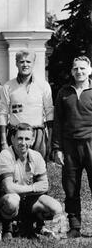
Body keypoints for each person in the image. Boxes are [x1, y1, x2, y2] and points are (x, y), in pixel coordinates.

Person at [0, 123, 64, 239]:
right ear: (12, 139)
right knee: (12, 200)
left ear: (32, 140)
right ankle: (7, 226)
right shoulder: (6, 154)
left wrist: (22, 189)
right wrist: (33, 187)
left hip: (28, 200)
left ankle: (30, 225)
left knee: (56, 208)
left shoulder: (36, 156)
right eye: (20, 138)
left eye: (27, 139)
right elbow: (8, 187)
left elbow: (44, 185)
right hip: (8, 199)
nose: (23, 143)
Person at [52, 56, 92, 238]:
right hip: (69, 146)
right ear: (71, 72)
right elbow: (58, 122)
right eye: (76, 68)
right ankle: (75, 226)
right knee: (70, 187)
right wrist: (57, 148)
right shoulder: (64, 92)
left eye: (83, 68)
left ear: (89, 70)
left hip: (91, 144)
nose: (79, 72)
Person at [0, 49, 54, 159]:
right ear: (16, 63)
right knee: (15, 170)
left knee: (38, 170)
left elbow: (49, 112)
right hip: (16, 134)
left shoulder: (43, 85)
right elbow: (2, 113)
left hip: (37, 134)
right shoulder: (8, 86)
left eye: (28, 62)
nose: (25, 65)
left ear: (33, 63)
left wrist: (50, 140)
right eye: (21, 61)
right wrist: (3, 141)